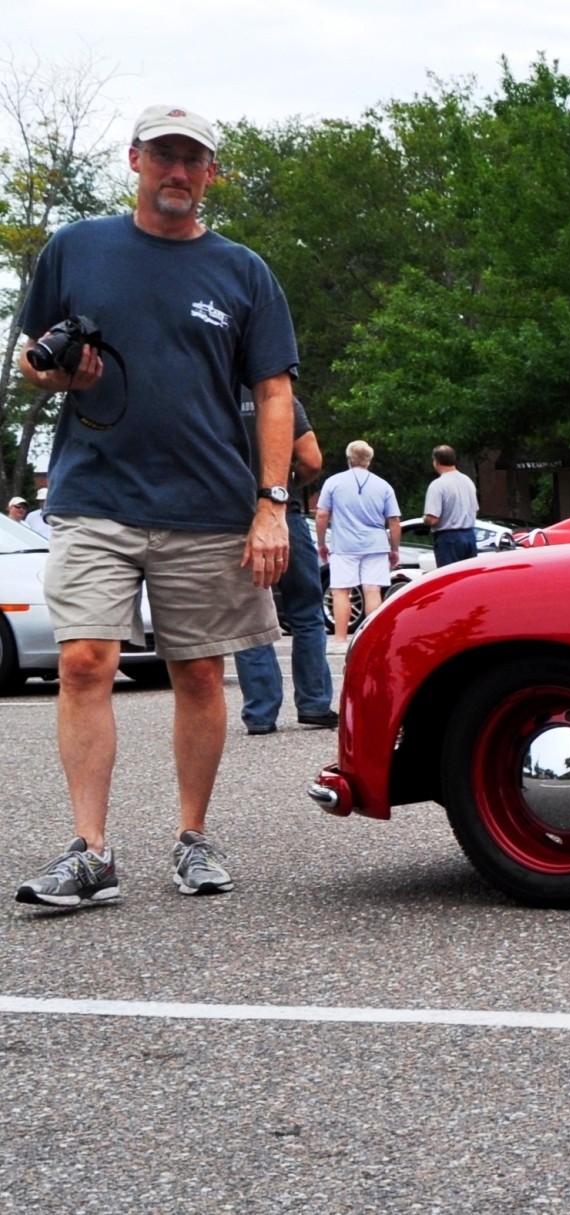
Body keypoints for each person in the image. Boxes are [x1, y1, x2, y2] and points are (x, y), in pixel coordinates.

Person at [12, 104, 298, 908]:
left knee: (201, 673)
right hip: (94, 490)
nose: (178, 171)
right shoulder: (77, 247)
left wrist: (270, 502)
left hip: (205, 503)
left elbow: (274, 392)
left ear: (212, 172)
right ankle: (91, 852)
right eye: (164, 155)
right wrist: (59, 372)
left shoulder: (243, 271)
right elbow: (36, 356)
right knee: (81, 663)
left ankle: (192, 837)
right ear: (134, 158)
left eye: (193, 159)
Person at [232, 392, 335, 735]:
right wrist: (286, 485)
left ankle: (260, 713)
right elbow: (312, 460)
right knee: (306, 612)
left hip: (234, 519)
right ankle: (315, 703)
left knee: (249, 619)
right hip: (281, 513)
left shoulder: (213, 394)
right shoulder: (280, 397)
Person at [317, 440, 400, 648]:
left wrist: (321, 542)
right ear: (369, 460)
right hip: (375, 544)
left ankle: (340, 639)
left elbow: (322, 514)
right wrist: (394, 548)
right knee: (372, 590)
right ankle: (372, 639)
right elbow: (394, 520)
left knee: (341, 591)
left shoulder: (333, 482)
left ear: (348, 459)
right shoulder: (383, 485)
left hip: (344, 544)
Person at [422, 445, 480, 566]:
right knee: (468, 577)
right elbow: (475, 510)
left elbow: (432, 519)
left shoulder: (438, 485)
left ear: (436, 461)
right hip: (470, 536)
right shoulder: (468, 481)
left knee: (449, 578)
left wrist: (424, 519)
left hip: (448, 539)